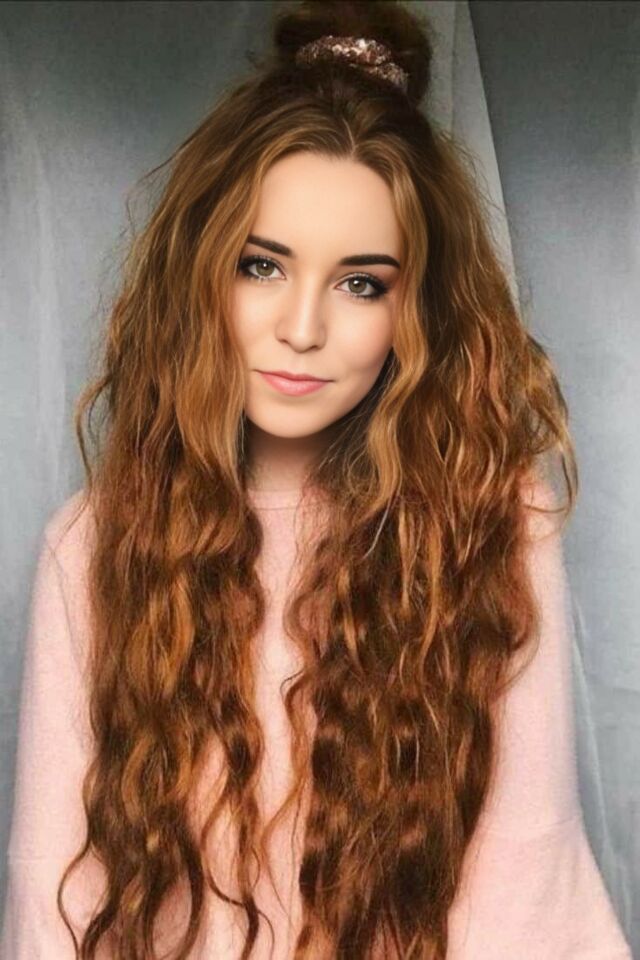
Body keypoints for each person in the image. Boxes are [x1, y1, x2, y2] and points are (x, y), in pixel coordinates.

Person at [1, 1, 633, 958]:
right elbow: (55, 900)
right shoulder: (92, 548)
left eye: (360, 282)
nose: (302, 328)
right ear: (201, 272)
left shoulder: (490, 522)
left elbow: (526, 882)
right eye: (263, 266)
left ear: (417, 312)